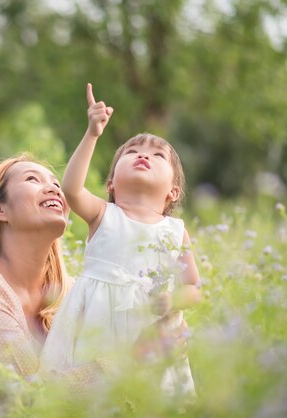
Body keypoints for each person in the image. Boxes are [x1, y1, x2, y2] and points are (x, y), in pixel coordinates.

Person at [0, 153, 190, 384]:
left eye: (57, 184)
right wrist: (135, 357)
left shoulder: (75, 295)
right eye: (32, 179)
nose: (54, 189)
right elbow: (30, 399)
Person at [40, 84, 202, 398]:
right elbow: (71, 188)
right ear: (112, 183)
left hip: (150, 326)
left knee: (149, 399)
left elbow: (194, 287)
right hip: (96, 323)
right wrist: (92, 134)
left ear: (173, 192)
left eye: (157, 155)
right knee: (92, 394)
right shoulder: (104, 214)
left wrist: (175, 301)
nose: (143, 155)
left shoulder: (175, 230)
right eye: (132, 152)